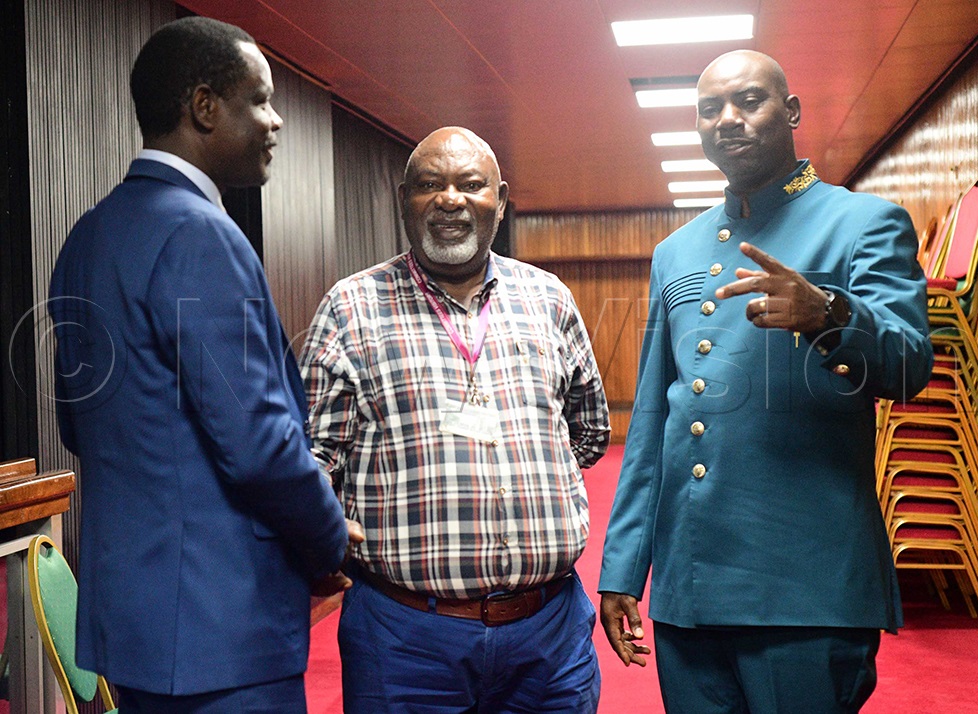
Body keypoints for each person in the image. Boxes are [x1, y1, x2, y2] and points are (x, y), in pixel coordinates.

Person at [598, 50, 933, 713]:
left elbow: (908, 367)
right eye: (709, 108)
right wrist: (623, 569)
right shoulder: (676, 252)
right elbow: (654, 425)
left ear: (792, 112)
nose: (727, 119)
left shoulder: (863, 223)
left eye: (749, 101)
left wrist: (832, 316)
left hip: (803, 590)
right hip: (690, 592)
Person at [48, 17, 355, 713]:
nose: (275, 121)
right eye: (260, 99)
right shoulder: (200, 234)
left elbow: (78, 423)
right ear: (205, 108)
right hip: (222, 629)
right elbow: (260, 446)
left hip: (135, 625)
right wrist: (329, 537)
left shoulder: (88, 235)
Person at [300, 126, 610, 713]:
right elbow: (313, 457)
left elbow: (589, 433)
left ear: (501, 197)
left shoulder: (549, 298)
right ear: (402, 200)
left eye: (471, 184)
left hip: (549, 635)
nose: (450, 199)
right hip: (405, 639)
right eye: (429, 185)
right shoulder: (352, 308)